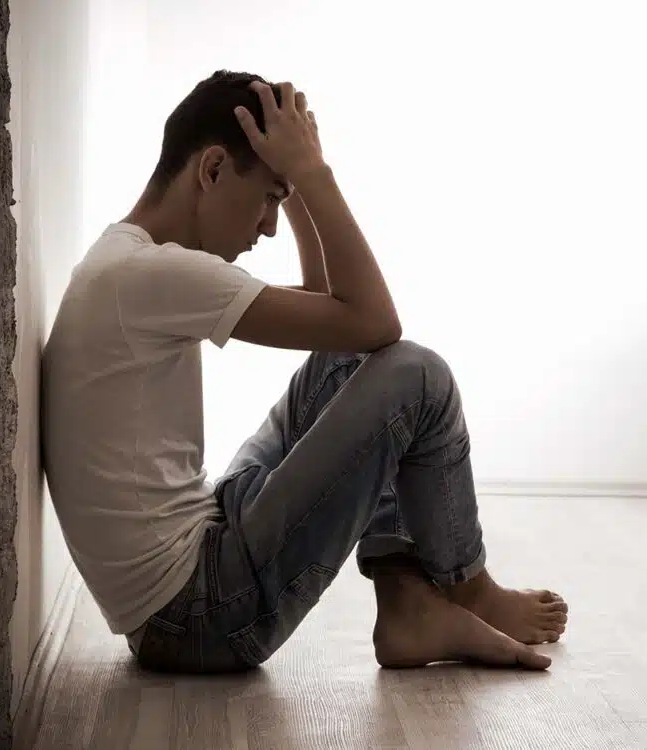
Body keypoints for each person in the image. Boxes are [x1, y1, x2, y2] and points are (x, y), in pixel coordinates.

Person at [42, 70, 568, 674]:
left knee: (343, 362)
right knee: (418, 376)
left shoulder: (127, 262)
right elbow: (375, 321)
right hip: (201, 615)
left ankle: (406, 603)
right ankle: (469, 588)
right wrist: (316, 176)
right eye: (268, 197)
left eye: (280, 202)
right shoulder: (151, 276)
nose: (269, 226)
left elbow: (329, 309)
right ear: (212, 170)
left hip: (193, 581)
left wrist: (291, 179)